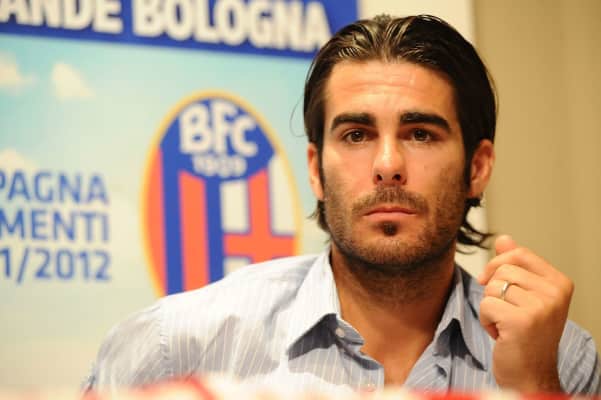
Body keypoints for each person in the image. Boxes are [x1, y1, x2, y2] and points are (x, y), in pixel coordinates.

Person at [84, 15, 600, 395]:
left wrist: (535, 389)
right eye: (356, 134)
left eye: (420, 134)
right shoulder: (173, 347)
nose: (388, 164)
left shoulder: (563, 361)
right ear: (315, 170)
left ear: (477, 167)